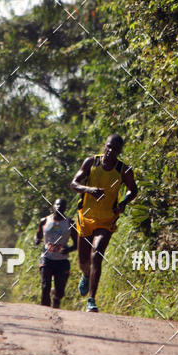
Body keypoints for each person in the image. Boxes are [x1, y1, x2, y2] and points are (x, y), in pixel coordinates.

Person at [71, 134, 138, 312]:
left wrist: (123, 203)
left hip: (107, 219)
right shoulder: (91, 163)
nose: (110, 151)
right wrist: (89, 190)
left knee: (97, 254)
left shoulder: (123, 170)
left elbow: (133, 189)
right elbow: (74, 183)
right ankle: (85, 275)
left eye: (115, 149)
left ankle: (91, 299)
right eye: (108, 147)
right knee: (83, 261)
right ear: (104, 146)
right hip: (85, 217)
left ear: (119, 151)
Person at [33, 198, 77, 308]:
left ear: (65, 208)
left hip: (62, 261)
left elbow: (78, 243)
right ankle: (44, 312)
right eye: (56, 205)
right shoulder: (44, 221)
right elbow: (37, 235)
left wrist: (68, 249)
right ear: (53, 206)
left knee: (60, 291)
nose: (58, 207)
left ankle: (56, 298)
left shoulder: (70, 223)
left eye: (61, 206)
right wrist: (36, 240)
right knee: (45, 286)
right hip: (46, 258)